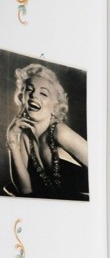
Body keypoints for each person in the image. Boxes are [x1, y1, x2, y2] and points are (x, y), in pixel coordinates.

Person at [5, 63, 88, 200]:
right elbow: (25, 190)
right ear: (22, 98)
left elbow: (102, 169)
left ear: (56, 105)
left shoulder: (61, 133)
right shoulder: (25, 136)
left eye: (43, 93)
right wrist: (12, 138)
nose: (33, 96)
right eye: (29, 90)